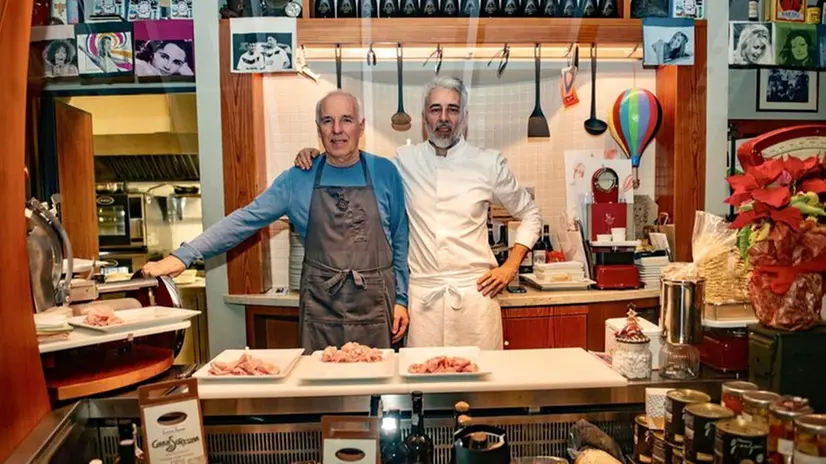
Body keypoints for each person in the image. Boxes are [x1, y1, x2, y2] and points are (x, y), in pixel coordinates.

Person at [142, 91, 410, 353]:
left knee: (378, 386)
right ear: (318, 129)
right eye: (328, 121)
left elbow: (399, 238)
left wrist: (401, 299)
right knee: (321, 389)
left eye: (346, 120)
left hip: (376, 302)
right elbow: (245, 219)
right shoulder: (298, 178)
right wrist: (184, 255)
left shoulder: (384, 171)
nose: (337, 129)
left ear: (360, 126)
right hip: (321, 306)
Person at [295, 76, 542, 350]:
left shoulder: (488, 163)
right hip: (423, 301)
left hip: (475, 297)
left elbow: (531, 213)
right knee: (422, 387)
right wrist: (318, 157)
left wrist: (510, 267)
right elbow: (352, 163)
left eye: (453, 109)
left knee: (478, 388)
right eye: (436, 109)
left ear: (464, 116)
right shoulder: (403, 161)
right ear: (424, 117)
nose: (444, 117)